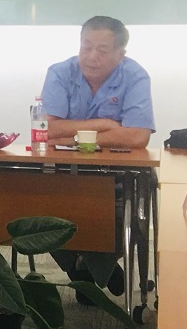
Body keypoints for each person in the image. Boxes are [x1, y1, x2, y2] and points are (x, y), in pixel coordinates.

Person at [40, 16, 155, 294]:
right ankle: (89, 269)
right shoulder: (59, 73)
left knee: (112, 212)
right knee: (40, 206)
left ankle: (93, 268)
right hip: (63, 173)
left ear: (120, 54)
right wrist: (104, 125)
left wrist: (74, 136)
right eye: (86, 47)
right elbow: (48, 130)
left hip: (115, 176)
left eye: (102, 50)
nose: (92, 57)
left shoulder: (135, 76)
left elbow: (138, 136)